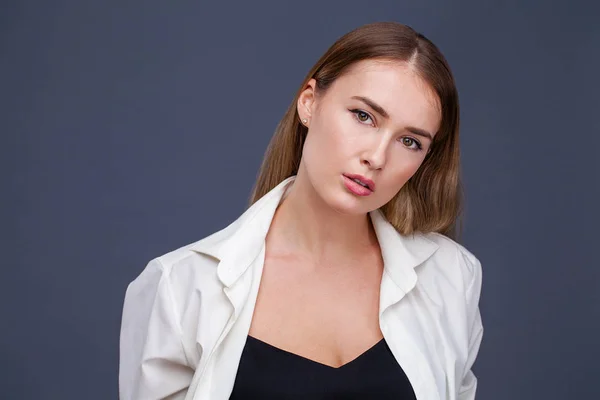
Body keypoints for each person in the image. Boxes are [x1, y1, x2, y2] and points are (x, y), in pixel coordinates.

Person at [119, 21, 484, 400]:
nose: (376, 157)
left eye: (409, 141)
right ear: (309, 102)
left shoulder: (452, 276)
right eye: (364, 116)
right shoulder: (180, 289)